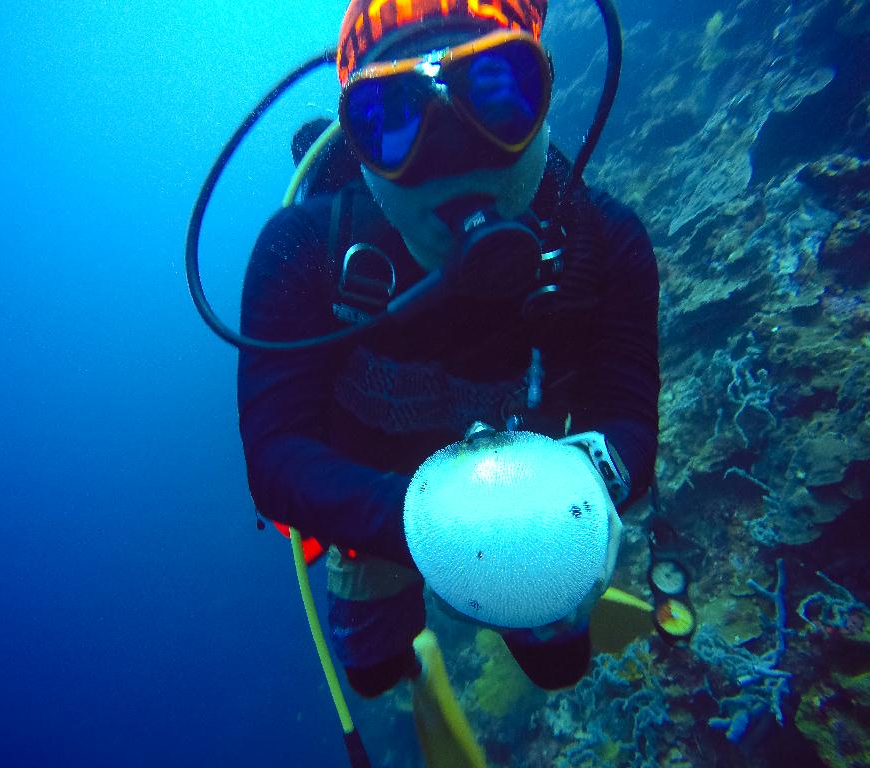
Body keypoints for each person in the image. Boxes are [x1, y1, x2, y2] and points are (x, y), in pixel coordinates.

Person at [237, 0, 659, 745]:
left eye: (495, 91)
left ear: (545, 95)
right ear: (357, 145)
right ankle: (419, 657)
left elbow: (628, 419)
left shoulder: (604, 244)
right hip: (374, 509)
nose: (454, 151)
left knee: (561, 666)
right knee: (373, 671)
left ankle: (498, 620)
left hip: (526, 500)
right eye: (395, 116)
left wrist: (574, 497)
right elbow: (275, 459)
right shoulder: (304, 253)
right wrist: (431, 527)